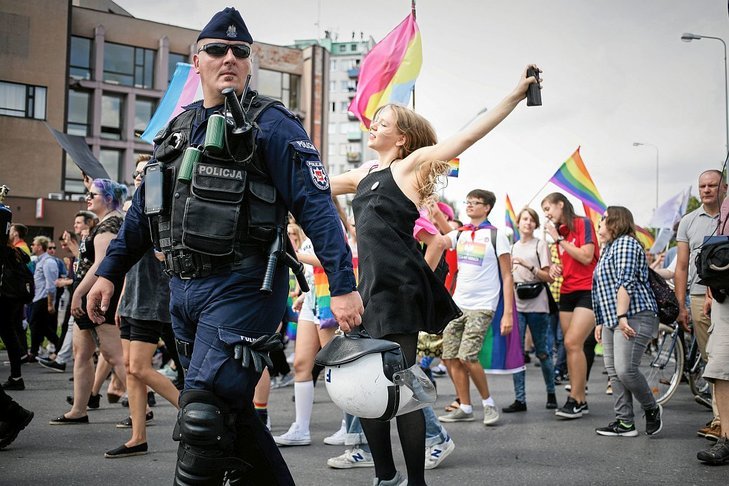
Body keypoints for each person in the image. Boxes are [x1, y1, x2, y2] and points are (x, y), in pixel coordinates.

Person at [85, 7, 362, 485]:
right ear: (198, 61)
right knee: (230, 413)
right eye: (217, 49)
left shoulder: (273, 126)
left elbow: (316, 207)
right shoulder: (177, 129)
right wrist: (108, 271)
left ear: (249, 63)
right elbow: (141, 214)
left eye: (240, 51)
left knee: (202, 416)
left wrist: (343, 284)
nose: (228, 57)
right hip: (184, 291)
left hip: (245, 286)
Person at [330, 66, 537, 485]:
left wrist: (515, 95)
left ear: (402, 137)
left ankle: (415, 482)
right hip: (366, 291)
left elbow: (467, 137)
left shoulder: (410, 167)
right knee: (362, 385)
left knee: (399, 390)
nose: (373, 125)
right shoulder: (363, 173)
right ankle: (385, 475)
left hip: (401, 289)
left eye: (383, 122)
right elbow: (310, 186)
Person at [106, 156, 180, 459]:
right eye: (135, 175)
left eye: (143, 174)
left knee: (138, 367)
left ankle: (194, 413)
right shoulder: (135, 210)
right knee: (131, 370)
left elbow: (163, 251)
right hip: (134, 297)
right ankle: (138, 437)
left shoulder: (157, 206)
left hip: (153, 296)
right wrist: (121, 300)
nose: (138, 178)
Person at [50, 178, 128, 425]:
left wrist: (78, 293)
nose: (88, 197)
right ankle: (79, 409)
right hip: (90, 293)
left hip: (96, 296)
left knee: (113, 354)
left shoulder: (110, 226)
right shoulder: (106, 223)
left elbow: (100, 265)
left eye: (92, 194)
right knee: (81, 353)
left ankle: (143, 405)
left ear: (107, 198)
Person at [437, 189, 512, 427]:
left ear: (487, 207)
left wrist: (507, 312)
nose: (469, 205)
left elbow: (507, 275)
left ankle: (488, 404)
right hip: (458, 304)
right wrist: (430, 211)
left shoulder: (496, 235)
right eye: (467, 201)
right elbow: (438, 241)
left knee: (468, 356)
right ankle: (466, 406)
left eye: (475, 202)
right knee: (449, 356)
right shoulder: (461, 234)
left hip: (483, 305)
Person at [592, 206, 661, 437]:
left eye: (603, 221)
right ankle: (625, 423)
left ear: (615, 222)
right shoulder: (609, 248)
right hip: (614, 318)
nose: (599, 225)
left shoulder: (625, 244)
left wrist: (621, 317)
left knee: (625, 370)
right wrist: (601, 321)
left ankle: (652, 408)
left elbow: (626, 283)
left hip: (633, 314)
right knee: (613, 371)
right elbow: (602, 289)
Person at [675, 169, 727, 439]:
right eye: (702, 186)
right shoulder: (688, 221)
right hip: (698, 297)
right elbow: (681, 266)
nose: (707, 190)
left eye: (713, 185)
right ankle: (720, 420)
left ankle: (722, 422)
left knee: (723, 357)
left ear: (724, 187)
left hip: (724, 295)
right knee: (712, 358)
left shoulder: (727, 216)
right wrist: (680, 306)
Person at [542, 192, 599, 419]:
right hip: (567, 291)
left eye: (548, 208)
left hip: (588, 290)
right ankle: (579, 399)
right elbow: (569, 262)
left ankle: (576, 399)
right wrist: (556, 269)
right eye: (544, 210)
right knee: (572, 346)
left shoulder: (582, 223)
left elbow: (587, 257)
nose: (546, 214)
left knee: (572, 341)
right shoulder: (560, 234)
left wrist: (558, 239)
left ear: (561, 204)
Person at [505, 207, 556, 412]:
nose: (528, 223)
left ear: (535, 225)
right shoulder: (512, 247)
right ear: (518, 223)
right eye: (524, 219)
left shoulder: (541, 244)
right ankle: (520, 399)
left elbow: (549, 277)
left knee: (542, 351)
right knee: (517, 352)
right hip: (517, 302)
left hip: (538, 303)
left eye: (532, 220)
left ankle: (551, 393)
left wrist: (528, 266)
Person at [697, 182, 729, 464]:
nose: (707, 189)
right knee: (719, 366)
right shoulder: (726, 205)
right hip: (724, 296)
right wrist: (710, 291)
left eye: (712, 185)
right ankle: (726, 439)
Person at [26, 236, 60, 366]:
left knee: (36, 325)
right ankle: (37, 351)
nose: (32, 246)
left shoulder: (48, 262)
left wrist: (50, 304)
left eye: (34, 244)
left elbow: (51, 285)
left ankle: (34, 352)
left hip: (43, 299)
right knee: (41, 327)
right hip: (38, 298)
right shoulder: (40, 261)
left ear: (40, 247)